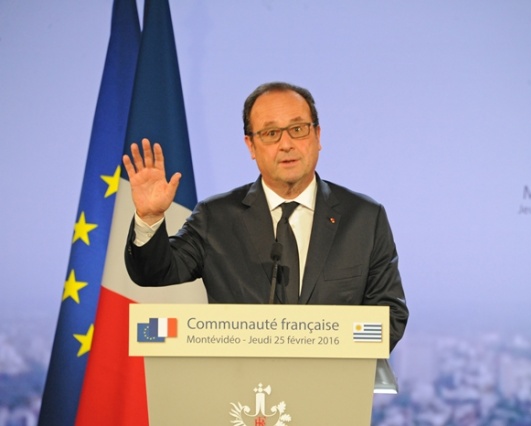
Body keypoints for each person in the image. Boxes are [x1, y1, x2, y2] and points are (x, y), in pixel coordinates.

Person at [123, 82, 408, 350]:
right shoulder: (216, 218)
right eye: (271, 133)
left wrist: (337, 354)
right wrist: (149, 218)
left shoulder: (364, 219)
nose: (286, 144)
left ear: (317, 136)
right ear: (251, 145)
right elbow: (155, 273)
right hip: (241, 385)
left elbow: (389, 314)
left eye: (298, 129)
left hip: (334, 382)